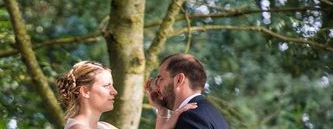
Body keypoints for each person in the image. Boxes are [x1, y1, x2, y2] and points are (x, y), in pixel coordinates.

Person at [57, 60, 195, 129]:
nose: (114, 92)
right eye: (106, 86)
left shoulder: (104, 126)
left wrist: (162, 110)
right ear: (85, 91)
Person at [146, 53, 229, 129]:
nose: (156, 87)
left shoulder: (190, 117)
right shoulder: (214, 115)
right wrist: (162, 109)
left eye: (160, 79)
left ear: (179, 80)